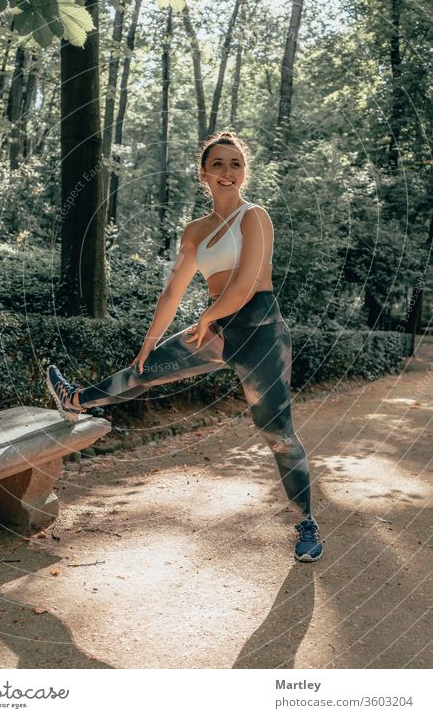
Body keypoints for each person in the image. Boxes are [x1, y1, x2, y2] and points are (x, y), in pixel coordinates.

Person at [47, 130, 323, 562]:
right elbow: (173, 290)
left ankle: (306, 523)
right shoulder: (195, 231)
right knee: (144, 371)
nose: (227, 172)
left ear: (243, 172)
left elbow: (249, 282)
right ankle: (75, 399)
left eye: (235, 164)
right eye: (218, 164)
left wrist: (209, 317)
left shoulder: (256, 217)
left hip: (261, 330)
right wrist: (150, 342)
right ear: (204, 173)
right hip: (213, 328)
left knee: (278, 435)